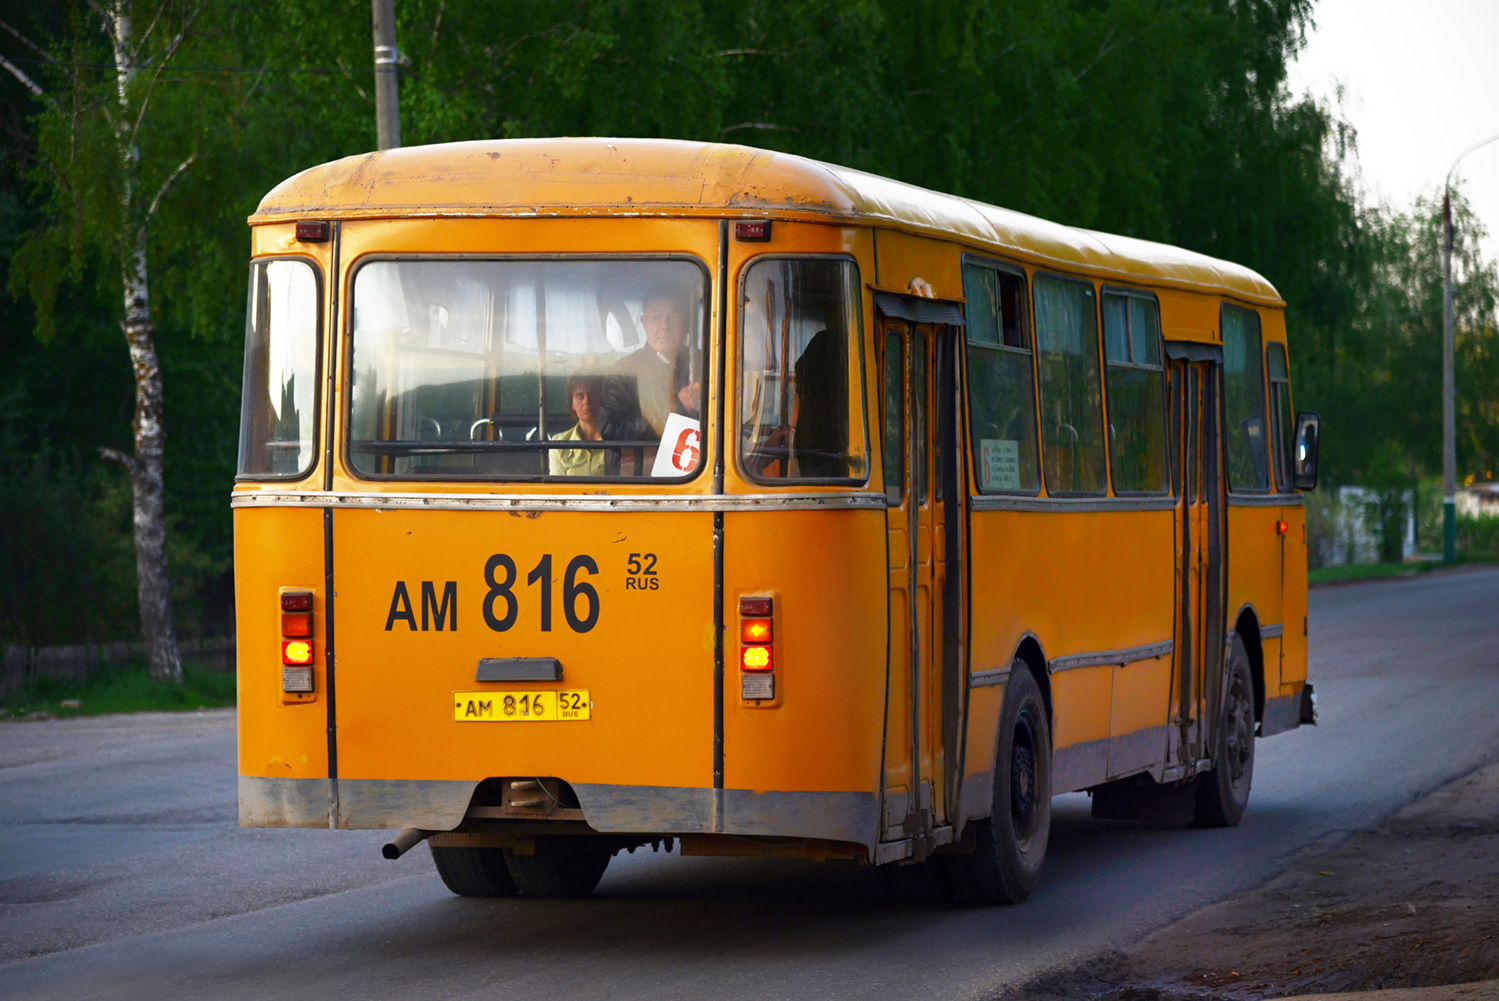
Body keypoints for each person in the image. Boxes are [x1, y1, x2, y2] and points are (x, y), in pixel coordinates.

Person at [609, 291, 701, 438]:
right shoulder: (624, 370)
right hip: (646, 459)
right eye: (656, 317)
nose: (664, 325)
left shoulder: (709, 363)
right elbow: (611, 430)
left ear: (686, 324)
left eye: (674, 316)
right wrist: (678, 407)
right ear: (644, 323)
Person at [549, 375, 610, 476]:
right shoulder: (559, 444)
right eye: (580, 397)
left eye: (592, 395)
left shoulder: (618, 441)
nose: (586, 402)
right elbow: (557, 488)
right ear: (571, 404)